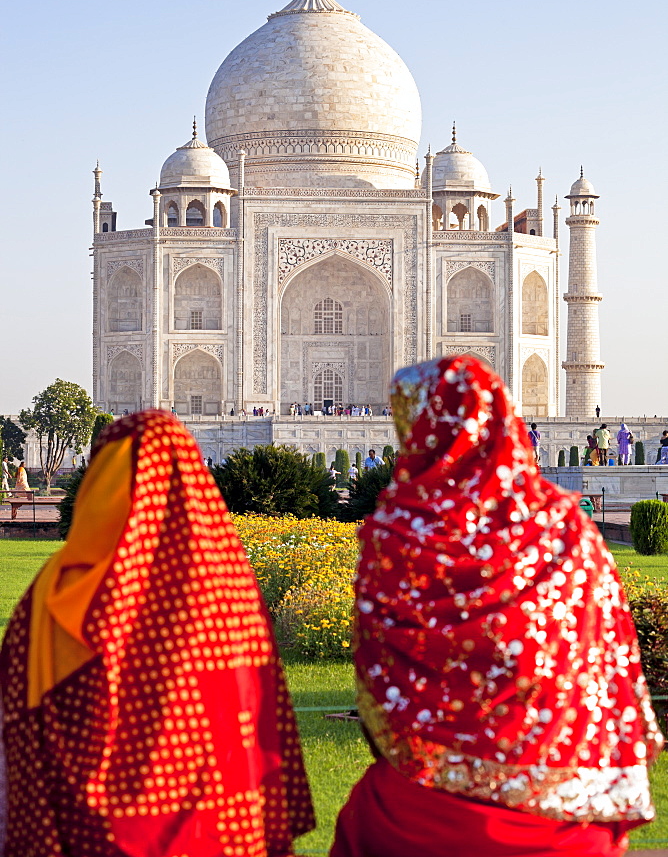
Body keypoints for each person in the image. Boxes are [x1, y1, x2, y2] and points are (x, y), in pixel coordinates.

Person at [331, 355, 662, 857]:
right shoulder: (564, 528)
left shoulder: (396, 535)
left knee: (366, 821)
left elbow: (380, 687)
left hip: (419, 816)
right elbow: (607, 659)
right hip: (564, 819)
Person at [0, 410, 314, 856]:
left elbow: (18, 704)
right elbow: (259, 712)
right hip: (214, 828)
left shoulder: (59, 589)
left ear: (102, 479)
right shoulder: (227, 587)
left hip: (86, 831)